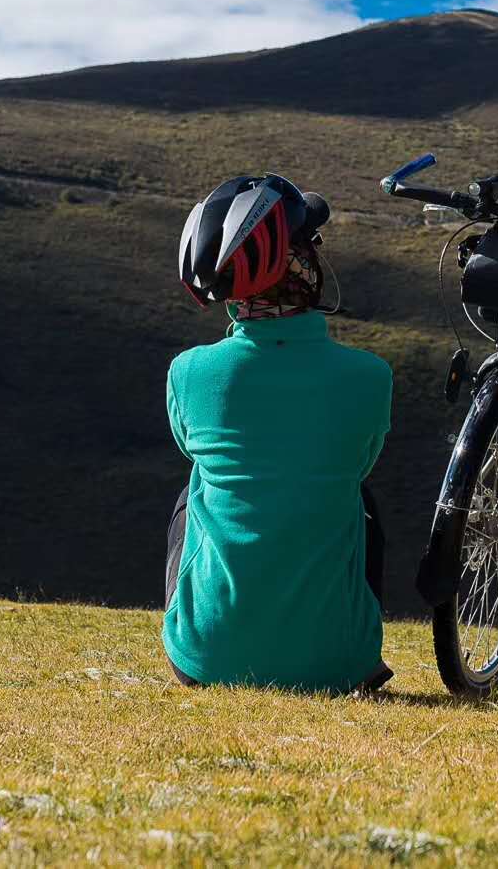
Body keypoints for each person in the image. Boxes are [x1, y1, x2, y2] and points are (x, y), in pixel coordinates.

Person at [165, 173, 393, 693]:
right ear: (297, 263)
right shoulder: (370, 376)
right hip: (335, 667)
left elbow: (192, 448)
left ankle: (207, 631)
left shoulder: (188, 372)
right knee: (358, 498)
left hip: (204, 660)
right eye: (310, 242)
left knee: (193, 493)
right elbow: (359, 464)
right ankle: (356, 653)